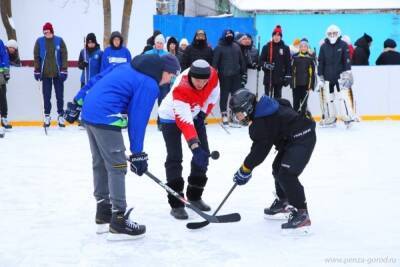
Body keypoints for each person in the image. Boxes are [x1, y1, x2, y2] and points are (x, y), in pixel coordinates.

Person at [64, 54, 181, 240]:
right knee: (117, 167)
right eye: (173, 76)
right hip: (106, 117)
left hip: (90, 113)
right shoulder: (149, 83)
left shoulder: (127, 66)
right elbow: (138, 118)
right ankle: (118, 221)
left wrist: (77, 101)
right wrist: (138, 153)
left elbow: (97, 79)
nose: (170, 81)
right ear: (164, 71)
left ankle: (103, 213)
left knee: (100, 163)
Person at [229, 89, 316, 232]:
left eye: (239, 113)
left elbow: (260, 150)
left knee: (287, 174)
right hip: (290, 140)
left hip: (303, 138)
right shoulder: (264, 108)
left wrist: (246, 168)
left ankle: (302, 213)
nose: (238, 118)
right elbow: (285, 103)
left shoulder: (261, 121)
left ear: (248, 108)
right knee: (277, 168)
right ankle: (284, 201)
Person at [158, 59, 219, 220]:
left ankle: (194, 195)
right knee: (175, 157)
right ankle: (177, 203)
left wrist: (203, 113)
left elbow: (213, 96)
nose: (201, 83)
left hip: (194, 113)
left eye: (204, 81)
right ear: (190, 76)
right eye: (197, 80)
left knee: (203, 155)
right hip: (170, 117)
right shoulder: (181, 88)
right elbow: (184, 121)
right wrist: (194, 146)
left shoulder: (212, 76)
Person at [318, 24, 356, 127]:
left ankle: (347, 118)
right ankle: (330, 118)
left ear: (338, 33)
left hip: (340, 78)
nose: (332, 35)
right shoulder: (323, 47)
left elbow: (347, 60)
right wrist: (320, 76)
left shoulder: (343, 45)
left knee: (342, 98)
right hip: (327, 78)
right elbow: (320, 62)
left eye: (334, 33)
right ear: (327, 34)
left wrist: (347, 73)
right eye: (330, 33)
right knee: (328, 99)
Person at [34, 22, 68, 128]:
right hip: (45, 74)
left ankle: (60, 116)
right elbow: (36, 57)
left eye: (48, 32)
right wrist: (37, 70)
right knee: (46, 96)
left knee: (59, 96)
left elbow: (64, 55)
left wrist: (64, 69)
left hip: (58, 74)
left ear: (51, 31)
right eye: (44, 32)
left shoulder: (59, 40)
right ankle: (47, 116)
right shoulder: (39, 42)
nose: (46, 34)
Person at [212, 29, 245, 125]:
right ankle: (224, 114)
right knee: (224, 96)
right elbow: (214, 64)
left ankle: (235, 114)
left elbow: (241, 61)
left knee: (236, 97)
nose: (229, 36)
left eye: (231, 34)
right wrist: (213, 75)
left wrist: (243, 73)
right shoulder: (219, 48)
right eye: (227, 35)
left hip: (236, 76)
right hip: (224, 76)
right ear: (224, 36)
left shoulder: (236, 47)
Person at [259, 25, 291, 99]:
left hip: (279, 78)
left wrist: (288, 75)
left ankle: (277, 110)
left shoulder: (285, 48)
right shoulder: (266, 47)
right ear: (272, 36)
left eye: (278, 35)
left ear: (281, 37)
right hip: (269, 77)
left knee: (278, 98)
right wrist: (266, 64)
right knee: (267, 98)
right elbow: (260, 61)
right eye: (275, 35)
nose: (276, 37)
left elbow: (288, 63)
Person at [291, 38, 316, 115]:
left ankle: (302, 119)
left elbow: (312, 74)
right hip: (296, 85)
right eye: (302, 46)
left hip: (305, 86)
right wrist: (292, 84)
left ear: (307, 47)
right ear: (299, 47)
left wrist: (310, 85)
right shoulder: (295, 57)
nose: (303, 48)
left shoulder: (310, 58)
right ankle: (295, 120)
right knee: (296, 103)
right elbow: (292, 72)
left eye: (305, 46)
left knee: (304, 104)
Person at [0, 38, 10, 129]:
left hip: (0, 75)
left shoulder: (0, 42)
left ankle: (4, 118)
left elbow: (4, 57)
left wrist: (6, 72)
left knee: (2, 96)